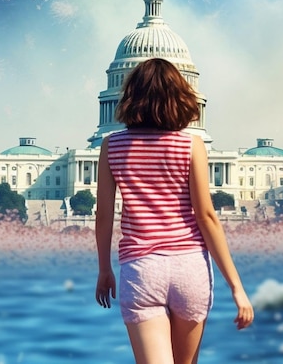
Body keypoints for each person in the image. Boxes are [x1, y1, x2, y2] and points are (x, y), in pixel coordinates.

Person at [95, 58, 254, 364]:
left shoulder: (112, 146)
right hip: (190, 267)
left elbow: (104, 216)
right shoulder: (191, 145)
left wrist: (104, 269)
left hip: (141, 268)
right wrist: (237, 288)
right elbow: (207, 218)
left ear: (130, 96)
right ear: (180, 96)